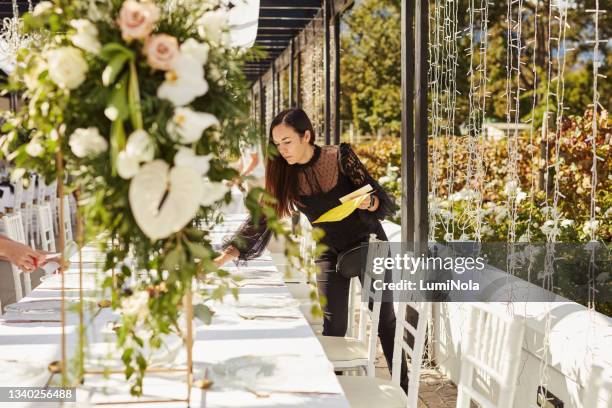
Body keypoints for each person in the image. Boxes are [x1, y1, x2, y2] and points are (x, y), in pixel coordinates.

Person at [214, 108, 407, 390]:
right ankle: (338, 393)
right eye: (277, 144)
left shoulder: (340, 157)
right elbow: (263, 217)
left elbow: (376, 196)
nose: (282, 150)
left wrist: (370, 203)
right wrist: (225, 255)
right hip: (328, 251)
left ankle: (404, 389)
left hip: (369, 245)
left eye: (287, 142)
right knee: (334, 328)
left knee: (385, 320)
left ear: (306, 135)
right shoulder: (283, 174)